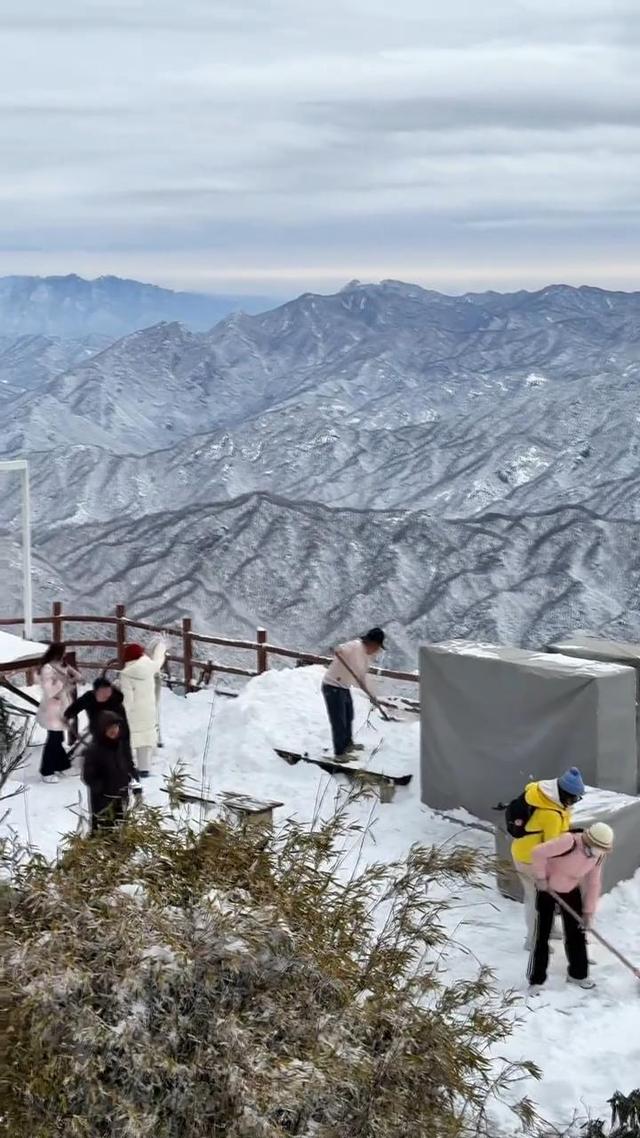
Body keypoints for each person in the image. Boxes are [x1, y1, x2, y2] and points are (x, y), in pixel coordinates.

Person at [528, 821, 614, 992]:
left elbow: (593, 884)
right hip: (548, 889)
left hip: (571, 890)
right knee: (543, 934)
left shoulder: (598, 856)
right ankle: (536, 980)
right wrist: (540, 878)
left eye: (601, 849)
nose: (597, 852)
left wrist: (588, 913)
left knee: (577, 933)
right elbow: (538, 853)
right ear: (588, 840)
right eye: (596, 847)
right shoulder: (569, 841)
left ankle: (578, 974)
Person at [511, 767, 585, 950]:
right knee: (535, 900)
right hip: (529, 859)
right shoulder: (550, 814)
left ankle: (549, 929)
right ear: (564, 795)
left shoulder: (547, 797)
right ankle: (534, 940)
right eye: (573, 798)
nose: (574, 802)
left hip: (532, 854)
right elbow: (553, 846)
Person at [322, 627, 385, 760]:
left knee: (349, 716)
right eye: (377, 646)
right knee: (339, 721)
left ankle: (347, 744)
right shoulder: (356, 646)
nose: (377, 650)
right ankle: (340, 753)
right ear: (371, 643)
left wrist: (370, 694)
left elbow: (361, 677)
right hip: (332, 686)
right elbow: (341, 649)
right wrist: (337, 650)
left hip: (343, 687)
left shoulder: (368, 657)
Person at [82, 711, 137, 833]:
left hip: (120, 797)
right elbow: (88, 776)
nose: (114, 730)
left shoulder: (120, 745)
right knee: (104, 831)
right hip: (103, 802)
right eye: (110, 728)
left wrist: (132, 781)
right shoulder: (94, 750)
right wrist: (102, 788)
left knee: (120, 829)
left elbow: (127, 765)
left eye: (116, 727)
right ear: (102, 729)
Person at [119, 641, 167, 777]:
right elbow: (159, 660)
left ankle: (124, 765)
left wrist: (121, 712)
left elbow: (128, 699)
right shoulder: (150, 667)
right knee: (145, 738)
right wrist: (161, 647)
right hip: (148, 710)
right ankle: (144, 768)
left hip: (134, 712)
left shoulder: (126, 674)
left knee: (128, 737)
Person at [36, 643, 82, 783]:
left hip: (61, 707)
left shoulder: (61, 666)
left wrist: (72, 676)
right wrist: (65, 684)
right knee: (53, 740)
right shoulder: (48, 668)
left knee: (57, 739)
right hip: (52, 708)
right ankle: (47, 770)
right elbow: (49, 690)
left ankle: (62, 765)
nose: (64, 655)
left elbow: (76, 676)